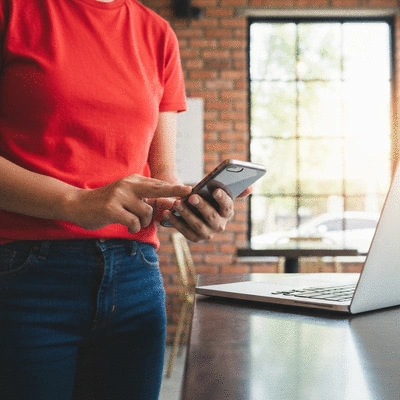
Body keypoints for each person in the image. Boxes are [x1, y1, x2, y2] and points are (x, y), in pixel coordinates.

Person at [0, 0, 250, 399]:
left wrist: (187, 205)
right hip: (26, 275)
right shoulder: (14, 12)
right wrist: (75, 201)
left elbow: (160, 171)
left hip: (135, 278)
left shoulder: (157, 34)